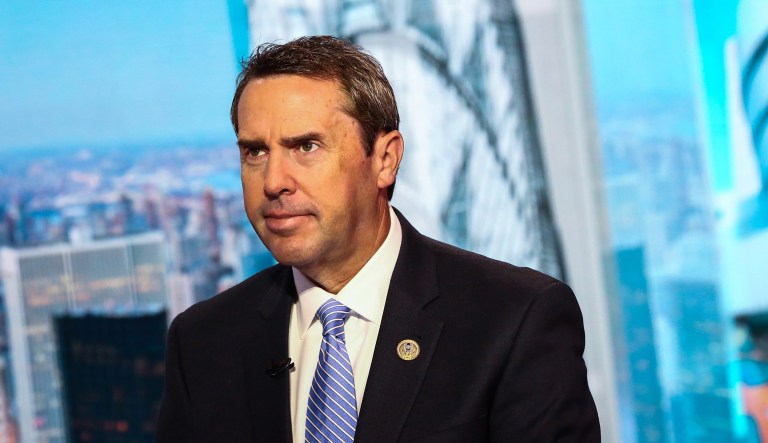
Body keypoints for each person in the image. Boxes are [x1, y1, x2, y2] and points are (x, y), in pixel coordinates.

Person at [156, 35, 600, 442]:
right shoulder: (203, 342)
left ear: (384, 159)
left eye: (306, 146)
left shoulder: (514, 319)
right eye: (255, 152)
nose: (274, 181)